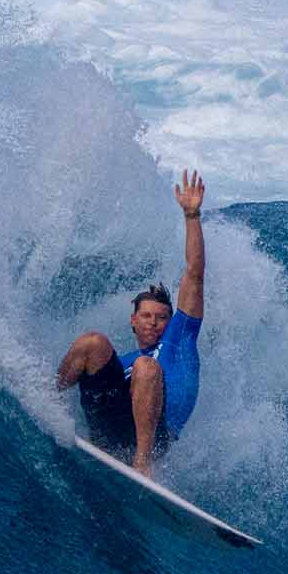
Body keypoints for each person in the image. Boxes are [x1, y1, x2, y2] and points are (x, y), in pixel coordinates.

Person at [55, 168, 206, 476]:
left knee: (147, 369)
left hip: (155, 436)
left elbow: (194, 274)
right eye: (147, 316)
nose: (154, 323)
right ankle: (45, 401)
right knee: (92, 343)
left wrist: (191, 216)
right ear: (133, 321)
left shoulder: (179, 340)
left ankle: (142, 466)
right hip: (112, 430)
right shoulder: (125, 360)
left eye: (162, 317)